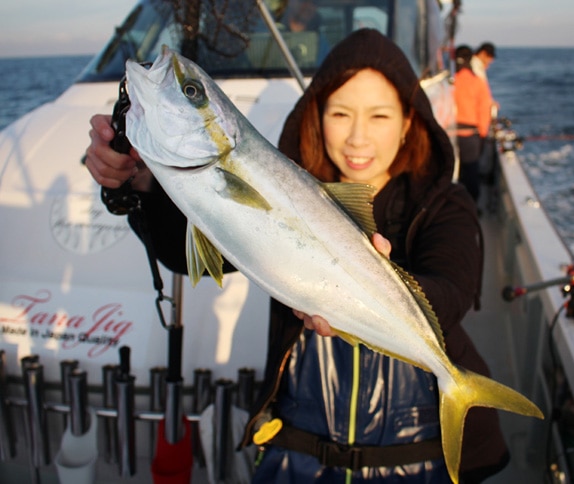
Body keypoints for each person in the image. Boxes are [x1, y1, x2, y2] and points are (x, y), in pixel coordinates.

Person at [85, 29, 508, 483]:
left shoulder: (444, 203)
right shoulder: (290, 185)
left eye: (380, 116)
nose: (358, 137)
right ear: (317, 115)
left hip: (416, 458)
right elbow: (185, 249)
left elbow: (454, 288)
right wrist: (138, 186)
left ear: (409, 121)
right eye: (340, 113)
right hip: (298, 455)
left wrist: (384, 282)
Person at [453, 45, 492, 202]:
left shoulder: (450, 82)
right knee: (470, 172)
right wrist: (483, 133)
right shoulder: (478, 83)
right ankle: (471, 206)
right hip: (470, 135)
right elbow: (484, 110)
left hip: (450, 133)